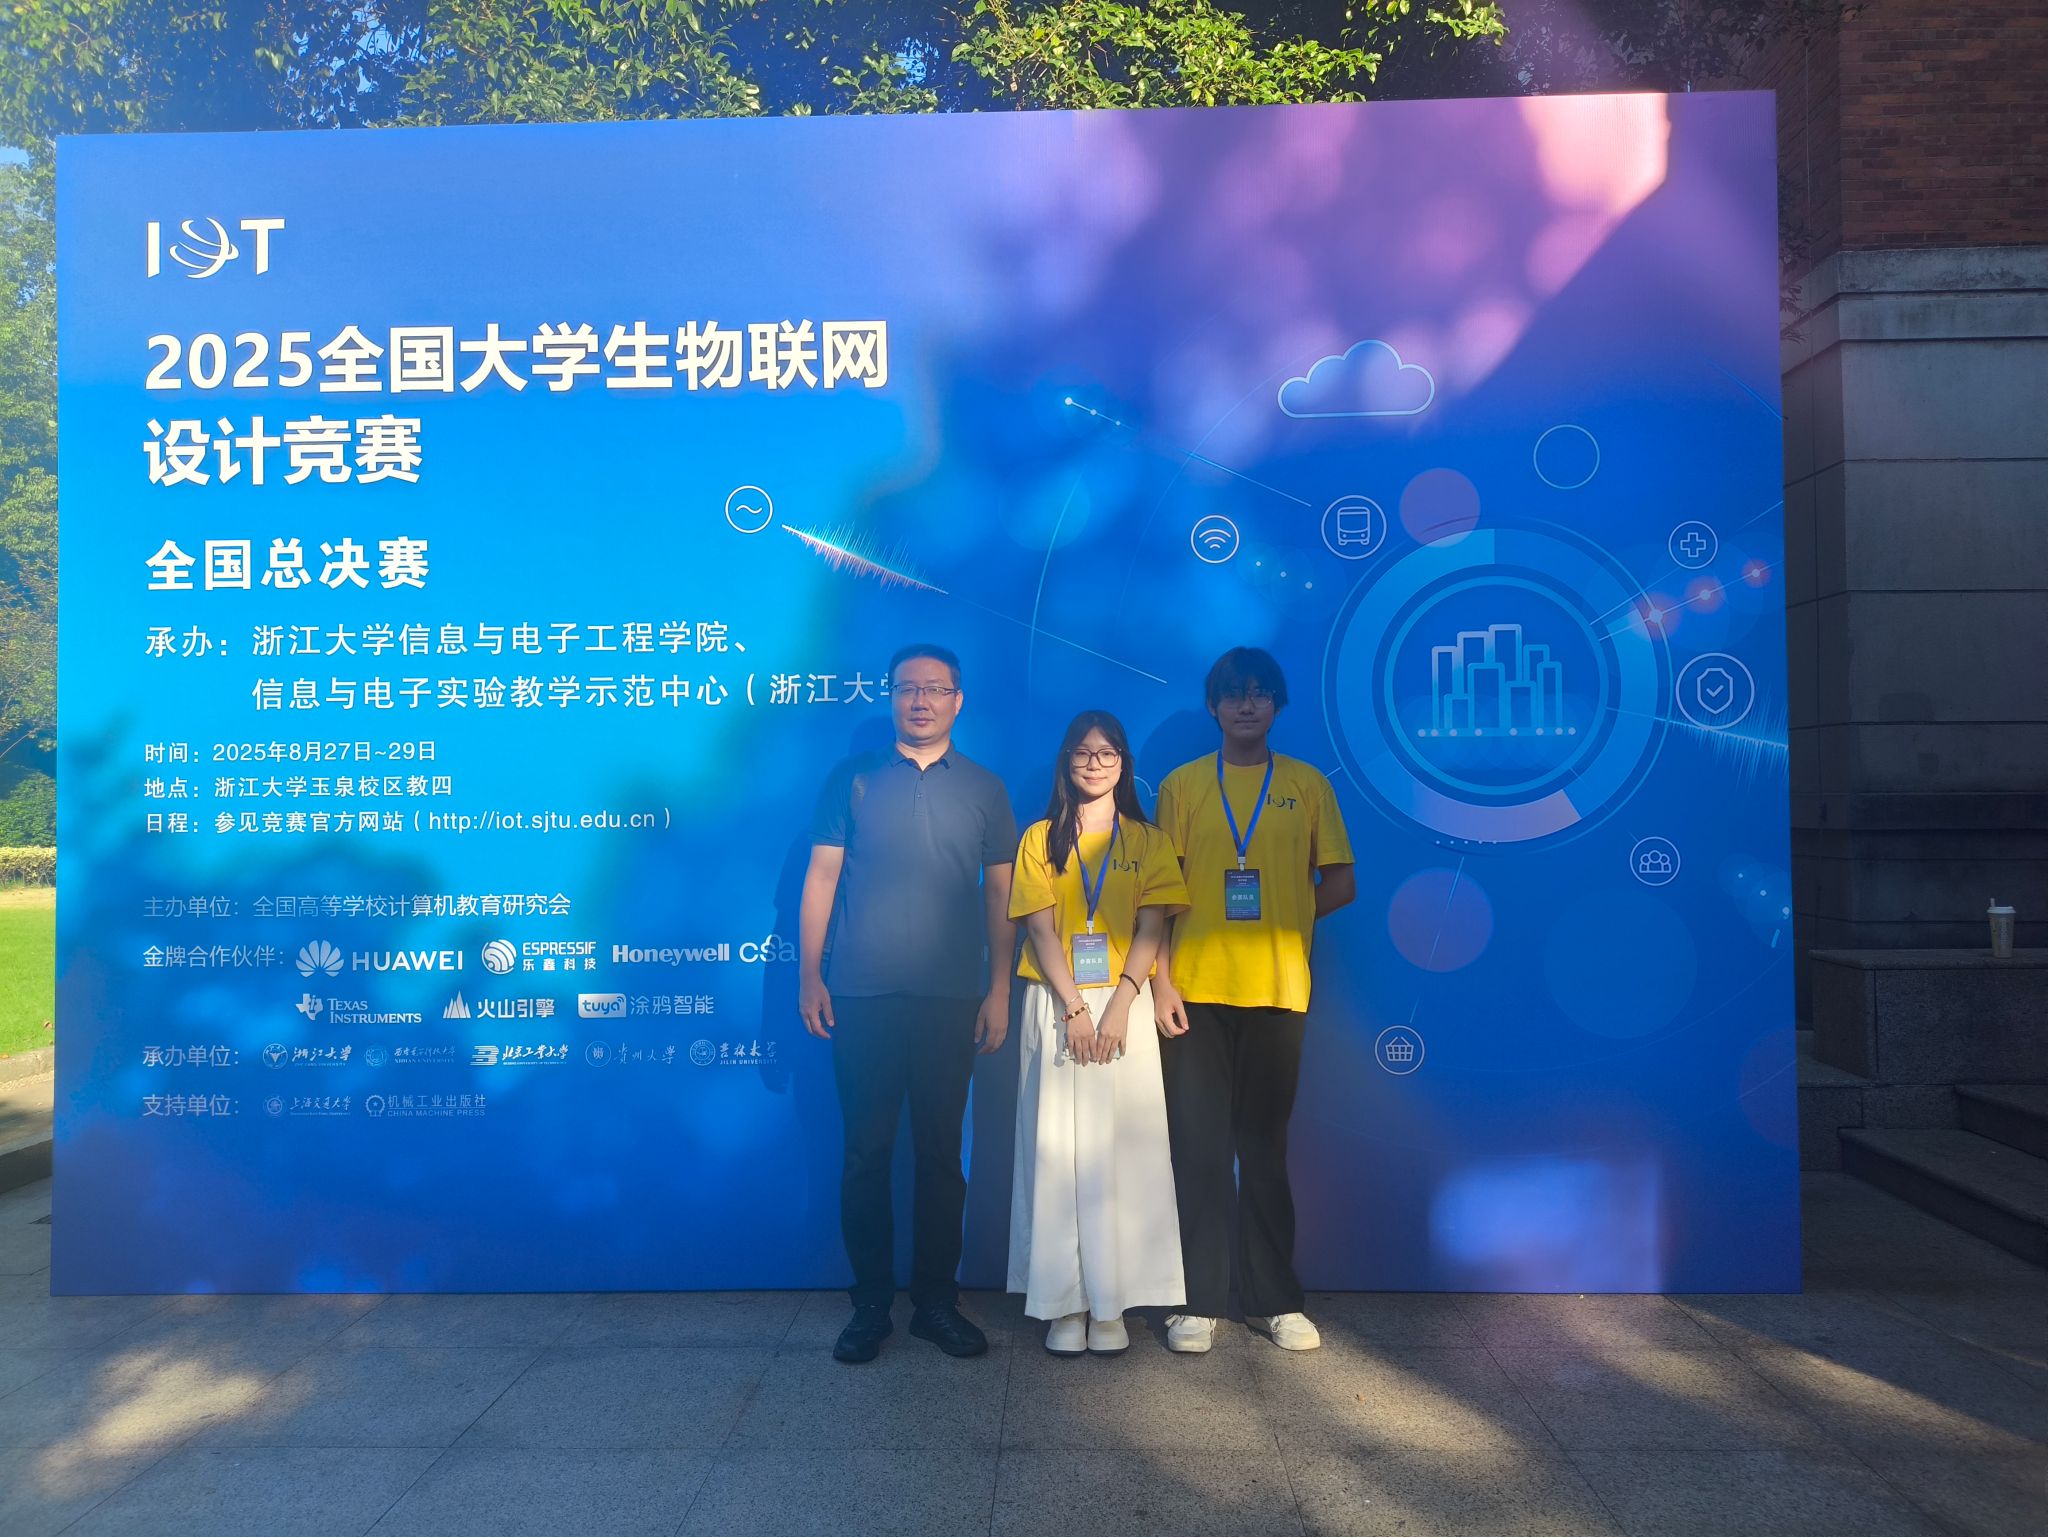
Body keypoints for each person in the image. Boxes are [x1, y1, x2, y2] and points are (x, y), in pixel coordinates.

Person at [798, 643, 1018, 1364]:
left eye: (935, 689)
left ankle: (935, 1302)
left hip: (951, 999)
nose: (920, 700)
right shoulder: (853, 779)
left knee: (940, 1155)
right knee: (866, 1152)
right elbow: (822, 878)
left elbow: (1001, 895)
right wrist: (810, 975)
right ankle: (869, 1303)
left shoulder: (985, 788)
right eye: (907, 688)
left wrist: (998, 989)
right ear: (890, 696)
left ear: (959, 699)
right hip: (861, 996)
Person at [1151, 647, 1356, 1354]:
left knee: (1264, 1149)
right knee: (1199, 1150)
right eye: (1233, 694)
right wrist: (1161, 981)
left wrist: (1287, 922)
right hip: (1194, 992)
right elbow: (1160, 896)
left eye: (1260, 693)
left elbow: (1340, 881)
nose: (1246, 705)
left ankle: (1274, 1300)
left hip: (1276, 990)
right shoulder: (1181, 786)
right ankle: (1199, 1300)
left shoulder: (1307, 785)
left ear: (1276, 705)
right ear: (1213, 706)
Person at [1007, 711, 1190, 1356]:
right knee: (1056, 1152)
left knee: (1123, 1154)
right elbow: (1039, 928)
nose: (1094, 763)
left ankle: (1111, 1305)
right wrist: (1076, 1009)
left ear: (1123, 764)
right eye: (1083, 753)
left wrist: (1120, 1005)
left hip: (1124, 1006)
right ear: (1067, 761)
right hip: (1057, 1005)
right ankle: (1064, 1303)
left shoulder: (1148, 840)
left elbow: (1152, 927)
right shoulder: (1038, 839)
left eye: (1107, 753)